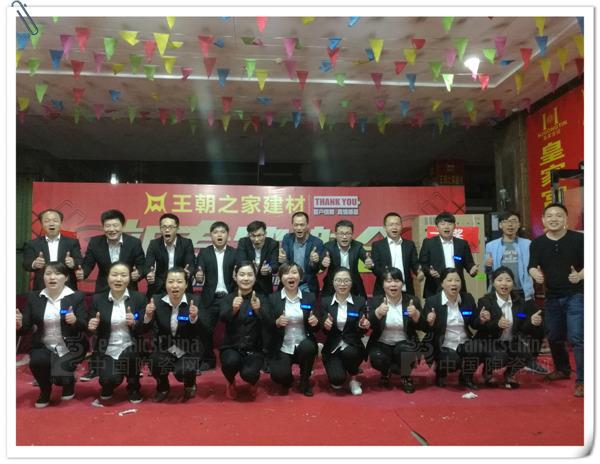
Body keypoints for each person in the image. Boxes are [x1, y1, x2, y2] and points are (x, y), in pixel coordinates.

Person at [76, 209, 146, 382]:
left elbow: (142, 265)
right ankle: (96, 366)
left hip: (128, 288)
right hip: (103, 289)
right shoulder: (95, 242)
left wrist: (138, 273)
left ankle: (133, 365)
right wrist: (82, 273)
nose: (112, 229)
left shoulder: (133, 243)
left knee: (131, 326)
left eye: (115, 225)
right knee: (100, 328)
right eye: (108, 226)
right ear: (103, 227)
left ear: (122, 226)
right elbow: (88, 263)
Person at [528, 203, 584, 397]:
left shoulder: (579, 239)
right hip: (552, 296)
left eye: (559, 215)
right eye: (550, 215)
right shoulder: (537, 243)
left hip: (576, 294)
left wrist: (580, 275)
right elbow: (532, 265)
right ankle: (562, 369)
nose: (554, 219)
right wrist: (535, 274)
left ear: (566, 219)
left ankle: (583, 381)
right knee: (553, 336)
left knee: (577, 337)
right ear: (543, 220)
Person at [16, 262, 89, 408]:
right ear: (43, 277)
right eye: (48, 274)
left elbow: (85, 326)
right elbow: (26, 327)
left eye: (57, 273)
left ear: (66, 278)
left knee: (60, 375)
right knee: (37, 362)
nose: (52, 277)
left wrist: (75, 321)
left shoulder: (76, 297)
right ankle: (45, 390)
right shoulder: (34, 297)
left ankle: (68, 382)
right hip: (43, 344)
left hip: (70, 346)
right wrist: (19, 325)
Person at [483, 210, 547, 375]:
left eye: (514, 221)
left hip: (523, 293)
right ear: (500, 225)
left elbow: (534, 264)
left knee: (537, 326)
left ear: (519, 224)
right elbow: (487, 273)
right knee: (501, 327)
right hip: (501, 295)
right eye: (506, 221)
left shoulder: (527, 244)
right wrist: (487, 266)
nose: (510, 225)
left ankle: (531, 359)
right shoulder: (491, 245)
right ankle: (494, 359)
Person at [471, 266, 544, 389]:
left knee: (526, 353)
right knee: (500, 357)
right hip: (490, 341)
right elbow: (477, 325)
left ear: (513, 283)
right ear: (493, 283)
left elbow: (522, 327)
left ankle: (509, 374)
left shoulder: (520, 302)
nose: (504, 284)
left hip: (510, 341)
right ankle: (488, 370)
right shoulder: (485, 301)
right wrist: (494, 323)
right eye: (500, 280)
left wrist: (532, 322)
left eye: (508, 280)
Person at [144, 267, 208, 402]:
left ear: (186, 284)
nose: (175, 285)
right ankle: (163, 387)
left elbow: (206, 329)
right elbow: (143, 328)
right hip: (165, 347)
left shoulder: (195, 301)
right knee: (154, 361)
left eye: (179, 282)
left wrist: (194, 318)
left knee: (182, 372)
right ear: (165, 284)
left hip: (189, 349)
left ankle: (190, 383)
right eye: (171, 281)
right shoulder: (156, 300)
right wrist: (148, 316)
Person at [87, 262, 147, 404]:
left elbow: (145, 328)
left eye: (123, 275)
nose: (119, 279)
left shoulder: (139, 298)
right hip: (108, 349)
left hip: (130, 347)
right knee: (108, 379)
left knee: (132, 354)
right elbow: (90, 326)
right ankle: (109, 384)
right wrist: (92, 326)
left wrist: (135, 323)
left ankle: (134, 386)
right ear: (108, 278)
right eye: (114, 275)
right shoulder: (98, 299)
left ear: (129, 278)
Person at [367, 267, 426, 393]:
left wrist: (416, 315)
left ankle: (405, 376)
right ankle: (385, 372)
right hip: (382, 343)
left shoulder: (412, 301)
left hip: (405, 342)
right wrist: (377, 313)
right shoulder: (376, 301)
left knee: (406, 351)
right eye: (388, 281)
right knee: (377, 358)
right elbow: (368, 324)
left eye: (397, 281)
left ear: (402, 284)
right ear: (383, 284)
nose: (393, 284)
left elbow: (423, 327)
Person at [266, 262, 319, 396]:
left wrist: (315, 322)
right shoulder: (273, 299)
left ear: (300, 277)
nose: (291, 276)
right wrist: (277, 323)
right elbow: (267, 325)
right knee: (279, 376)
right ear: (280, 277)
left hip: (303, 344)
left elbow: (317, 326)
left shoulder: (309, 297)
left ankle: (305, 380)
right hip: (283, 346)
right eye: (286, 273)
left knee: (308, 347)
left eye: (294, 273)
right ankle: (288, 378)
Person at [422, 267, 481, 389]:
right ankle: (441, 372)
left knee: (477, 348)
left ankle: (466, 377)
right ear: (442, 283)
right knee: (453, 361)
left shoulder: (467, 299)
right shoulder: (432, 301)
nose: (454, 283)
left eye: (457, 280)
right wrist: (430, 322)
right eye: (449, 280)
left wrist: (481, 319)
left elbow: (474, 323)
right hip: (443, 345)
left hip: (464, 342)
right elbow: (425, 329)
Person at [219, 261, 268, 400]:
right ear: (235, 277)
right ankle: (230, 382)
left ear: (255, 277)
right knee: (230, 362)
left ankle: (253, 382)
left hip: (254, 349)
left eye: (249, 275)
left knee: (249, 373)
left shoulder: (262, 298)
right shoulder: (228, 298)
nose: (246, 278)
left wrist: (258, 310)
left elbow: (270, 322)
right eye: (242, 274)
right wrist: (233, 309)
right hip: (231, 347)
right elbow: (222, 318)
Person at [319, 267, 370, 395]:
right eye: (338, 280)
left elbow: (361, 330)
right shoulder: (325, 302)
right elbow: (323, 329)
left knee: (350, 353)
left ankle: (353, 379)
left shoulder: (359, 302)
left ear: (352, 283)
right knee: (337, 381)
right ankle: (339, 369)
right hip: (332, 347)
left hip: (353, 345)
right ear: (333, 282)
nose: (342, 284)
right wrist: (325, 325)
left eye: (346, 280)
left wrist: (362, 325)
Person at [194, 221, 237, 371]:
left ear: (228, 235)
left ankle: (232, 358)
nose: (219, 235)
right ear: (211, 235)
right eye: (216, 232)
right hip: (210, 298)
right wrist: (198, 276)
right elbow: (199, 273)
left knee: (234, 329)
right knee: (204, 329)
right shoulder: (204, 253)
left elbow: (240, 273)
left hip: (229, 297)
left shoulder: (234, 253)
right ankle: (208, 359)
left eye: (222, 232)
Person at [419, 212, 478, 298]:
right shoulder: (428, 243)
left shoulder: (462, 244)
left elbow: (468, 263)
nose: (446, 227)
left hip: (456, 286)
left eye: (450, 224)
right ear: (437, 227)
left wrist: (472, 269)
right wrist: (429, 271)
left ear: (454, 226)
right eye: (443, 224)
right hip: (435, 287)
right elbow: (422, 264)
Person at [22, 209, 82, 291]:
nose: (51, 224)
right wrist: (34, 264)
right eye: (47, 221)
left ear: (61, 223)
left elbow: (80, 261)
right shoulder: (32, 244)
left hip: (67, 286)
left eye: (55, 220)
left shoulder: (72, 242)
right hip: (42, 287)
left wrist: (73, 263)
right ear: (42, 224)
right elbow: (26, 264)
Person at [371, 212, 423, 297]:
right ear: (385, 227)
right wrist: (389, 278)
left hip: (405, 290)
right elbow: (376, 268)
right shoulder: (377, 245)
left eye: (397, 224)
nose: (394, 227)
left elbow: (415, 263)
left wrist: (419, 272)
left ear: (401, 226)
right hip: (383, 291)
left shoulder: (409, 245)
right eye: (391, 225)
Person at [145, 213, 195, 298]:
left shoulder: (186, 243)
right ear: (160, 229)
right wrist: (149, 273)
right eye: (164, 227)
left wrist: (188, 272)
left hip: (180, 285)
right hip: (159, 286)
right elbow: (148, 266)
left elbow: (190, 264)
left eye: (171, 227)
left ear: (177, 228)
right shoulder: (154, 244)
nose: (167, 230)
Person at [320, 219, 373, 298]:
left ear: (352, 235)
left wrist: (370, 263)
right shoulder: (328, 246)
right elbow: (321, 266)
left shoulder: (357, 246)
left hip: (353, 284)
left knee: (361, 302)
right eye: (341, 234)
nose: (344, 237)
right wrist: (323, 263)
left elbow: (368, 259)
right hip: (332, 284)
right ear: (336, 235)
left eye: (348, 234)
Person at [279, 212, 324, 295]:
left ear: (307, 225)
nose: (299, 228)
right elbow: (284, 263)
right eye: (296, 225)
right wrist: (283, 260)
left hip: (307, 284)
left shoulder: (317, 242)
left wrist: (313, 262)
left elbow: (317, 270)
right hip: (289, 281)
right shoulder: (287, 238)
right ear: (292, 226)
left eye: (302, 225)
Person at [235, 220, 279, 295]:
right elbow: (240, 262)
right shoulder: (243, 242)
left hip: (265, 286)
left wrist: (269, 269)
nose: (256, 239)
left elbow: (275, 266)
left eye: (259, 235)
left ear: (265, 234)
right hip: (246, 284)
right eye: (253, 236)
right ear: (248, 235)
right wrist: (252, 268)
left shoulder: (272, 244)